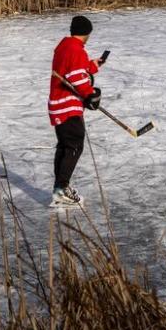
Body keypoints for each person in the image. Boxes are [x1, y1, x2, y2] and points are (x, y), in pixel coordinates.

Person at [46, 15, 105, 208]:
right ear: (87, 33)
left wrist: (92, 66)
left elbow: (74, 70)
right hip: (68, 106)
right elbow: (77, 78)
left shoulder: (65, 47)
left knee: (64, 146)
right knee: (74, 145)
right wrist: (90, 95)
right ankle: (61, 189)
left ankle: (60, 188)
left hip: (57, 104)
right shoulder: (76, 50)